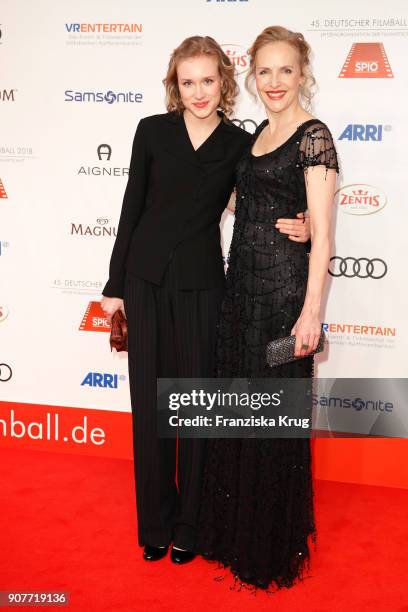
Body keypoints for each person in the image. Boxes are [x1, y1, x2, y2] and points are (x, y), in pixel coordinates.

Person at [100, 35, 311, 566]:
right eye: (188, 82)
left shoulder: (241, 145)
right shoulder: (151, 132)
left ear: (225, 82)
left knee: (195, 410)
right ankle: (156, 523)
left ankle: (191, 523)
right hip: (145, 283)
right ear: (176, 85)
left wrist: (305, 224)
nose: (198, 92)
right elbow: (131, 208)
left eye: (208, 80)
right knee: (150, 409)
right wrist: (114, 285)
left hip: (203, 288)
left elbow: (269, 193)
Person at [196, 26, 339, 590]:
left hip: (282, 301)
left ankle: (267, 548)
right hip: (240, 296)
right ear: (251, 77)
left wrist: (310, 314)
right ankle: (233, 532)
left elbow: (323, 238)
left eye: (285, 70)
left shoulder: (314, 137)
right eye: (264, 71)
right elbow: (241, 201)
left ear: (302, 73)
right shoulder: (254, 134)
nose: (274, 82)